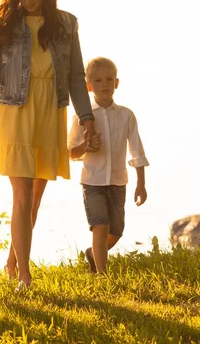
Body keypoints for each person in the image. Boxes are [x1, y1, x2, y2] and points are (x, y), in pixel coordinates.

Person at [0, 0, 97, 290]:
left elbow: (74, 76)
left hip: (50, 113)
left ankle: (13, 263)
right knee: (23, 196)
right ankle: (24, 276)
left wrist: (87, 119)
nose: (27, 1)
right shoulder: (7, 26)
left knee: (35, 198)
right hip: (15, 112)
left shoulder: (67, 25)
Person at [68, 57, 149, 274]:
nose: (104, 84)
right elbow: (70, 152)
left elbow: (137, 152)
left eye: (109, 79)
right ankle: (102, 277)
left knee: (116, 231)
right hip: (92, 182)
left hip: (118, 182)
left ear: (117, 82)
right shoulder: (83, 117)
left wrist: (141, 184)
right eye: (97, 80)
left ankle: (93, 254)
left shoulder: (126, 115)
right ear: (88, 86)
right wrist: (86, 146)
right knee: (100, 226)